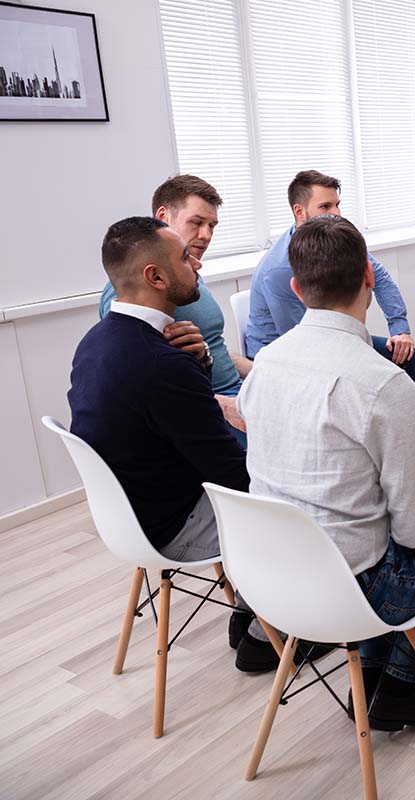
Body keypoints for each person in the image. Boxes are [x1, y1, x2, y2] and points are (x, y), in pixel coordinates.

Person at [238, 215, 415, 730]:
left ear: (295, 288)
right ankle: (400, 685)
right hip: (352, 592)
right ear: (370, 280)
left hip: (270, 581)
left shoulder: (264, 363)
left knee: (373, 536)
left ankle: (375, 677)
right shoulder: (382, 383)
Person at [70, 217, 298, 673]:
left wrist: (202, 360)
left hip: (128, 519)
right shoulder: (159, 363)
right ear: (155, 277)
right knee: (305, 499)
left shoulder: (95, 341)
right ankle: (266, 633)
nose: (196, 265)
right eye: (184, 258)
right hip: (174, 525)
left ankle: (255, 610)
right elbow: (233, 477)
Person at [98, 175, 251, 447]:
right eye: (197, 222)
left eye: (212, 226)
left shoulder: (187, 274)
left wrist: (261, 371)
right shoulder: (134, 289)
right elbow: (141, 380)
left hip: (235, 393)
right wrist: (221, 405)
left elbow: (212, 345)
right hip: (208, 408)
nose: (206, 235)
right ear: (163, 216)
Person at [243, 170, 415, 380]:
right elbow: (300, 340)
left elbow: (380, 277)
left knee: (407, 357)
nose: (336, 213)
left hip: (323, 337)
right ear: (299, 211)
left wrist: (399, 328)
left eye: (337, 204)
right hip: (280, 358)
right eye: (325, 206)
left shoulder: (334, 239)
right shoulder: (279, 269)